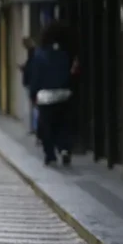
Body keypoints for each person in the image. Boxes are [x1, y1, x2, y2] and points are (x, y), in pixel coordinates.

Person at [29, 24, 74, 166]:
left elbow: (36, 77)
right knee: (63, 124)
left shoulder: (40, 54)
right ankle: (64, 148)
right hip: (63, 93)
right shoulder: (64, 53)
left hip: (46, 96)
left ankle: (50, 155)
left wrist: (33, 94)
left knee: (46, 126)